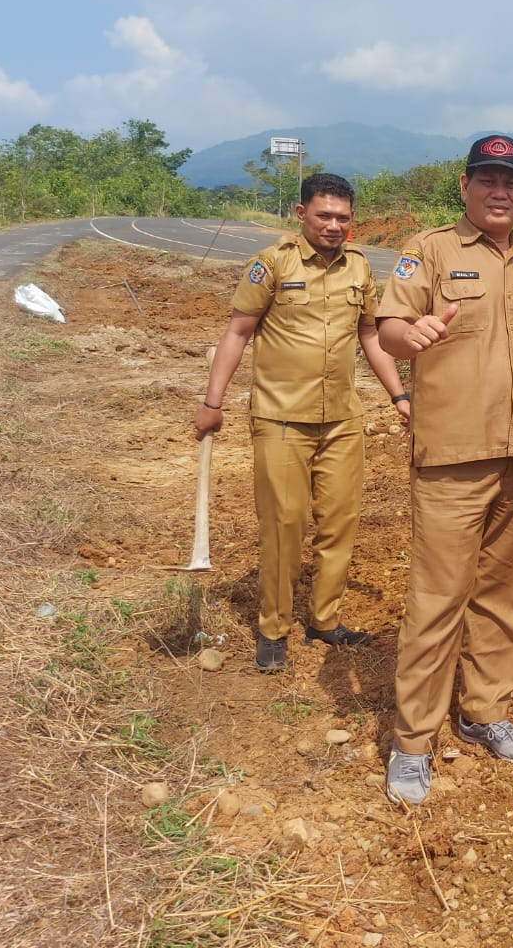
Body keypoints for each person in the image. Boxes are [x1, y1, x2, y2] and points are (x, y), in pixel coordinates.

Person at [374, 134, 513, 806]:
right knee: (437, 600)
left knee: (504, 597)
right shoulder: (430, 251)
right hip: (454, 456)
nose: (499, 190)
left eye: (511, 181)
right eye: (487, 178)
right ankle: (412, 744)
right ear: (464, 186)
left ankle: (483, 712)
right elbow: (391, 329)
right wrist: (414, 336)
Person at [194, 173, 409, 672]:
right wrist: (213, 402)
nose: (334, 226)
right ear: (301, 213)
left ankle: (325, 620)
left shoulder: (358, 269)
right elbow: (238, 332)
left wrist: (399, 395)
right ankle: (274, 628)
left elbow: (370, 336)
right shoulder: (272, 263)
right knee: (284, 526)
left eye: (342, 217)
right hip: (280, 418)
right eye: (324, 216)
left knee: (339, 523)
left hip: (341, 420)